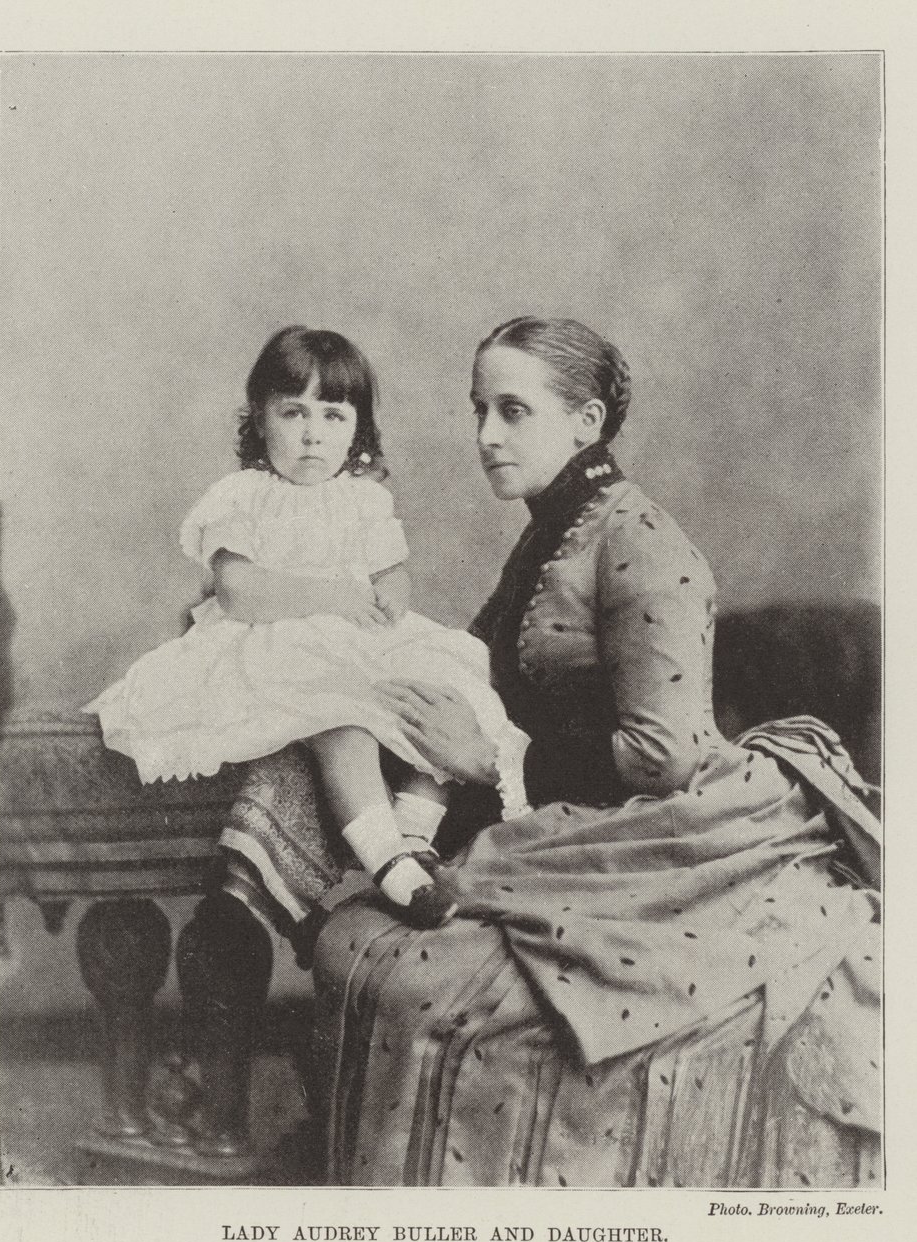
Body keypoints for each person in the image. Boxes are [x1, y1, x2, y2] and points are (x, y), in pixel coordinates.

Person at [300, 316, 881, 1187]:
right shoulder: (553, 530)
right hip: (563, 815)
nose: (486, 436)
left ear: (588, 420)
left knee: (431, 979)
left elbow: (668, 755)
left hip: (662, 830)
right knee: (359, 933)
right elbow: (485, 673)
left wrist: (486, 757)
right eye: (478, 411)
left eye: (512, 411)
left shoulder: (640, 541)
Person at [85, 326, 513, 928]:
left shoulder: (363, 501)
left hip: (358, 639)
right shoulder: (243, 495)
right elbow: (239, 591)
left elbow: (393, 577)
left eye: (334, 416)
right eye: (293, 412)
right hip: (274, 640)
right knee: (339, 718)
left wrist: (388, 601)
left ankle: (417, 836)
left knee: (439, 688)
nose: (313, 434)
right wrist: (336, 596)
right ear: (261, 420)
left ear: (356, 428)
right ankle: (384, 855)